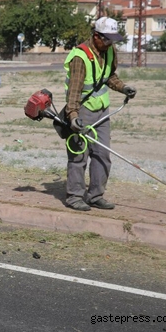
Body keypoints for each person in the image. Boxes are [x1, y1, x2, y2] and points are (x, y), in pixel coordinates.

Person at [63, 17, 136, 211]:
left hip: (102, 111)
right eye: (107, 39)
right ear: (96, 36)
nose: (110, 43)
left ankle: (95, 195)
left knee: (103, 154)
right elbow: (74, 90)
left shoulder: (110, 51)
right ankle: (75, 196)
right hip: (82, 110)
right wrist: (72, 115)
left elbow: (109, 76)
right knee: (79, 155)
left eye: (112, 39)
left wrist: (123, 88)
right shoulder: (80, 56)